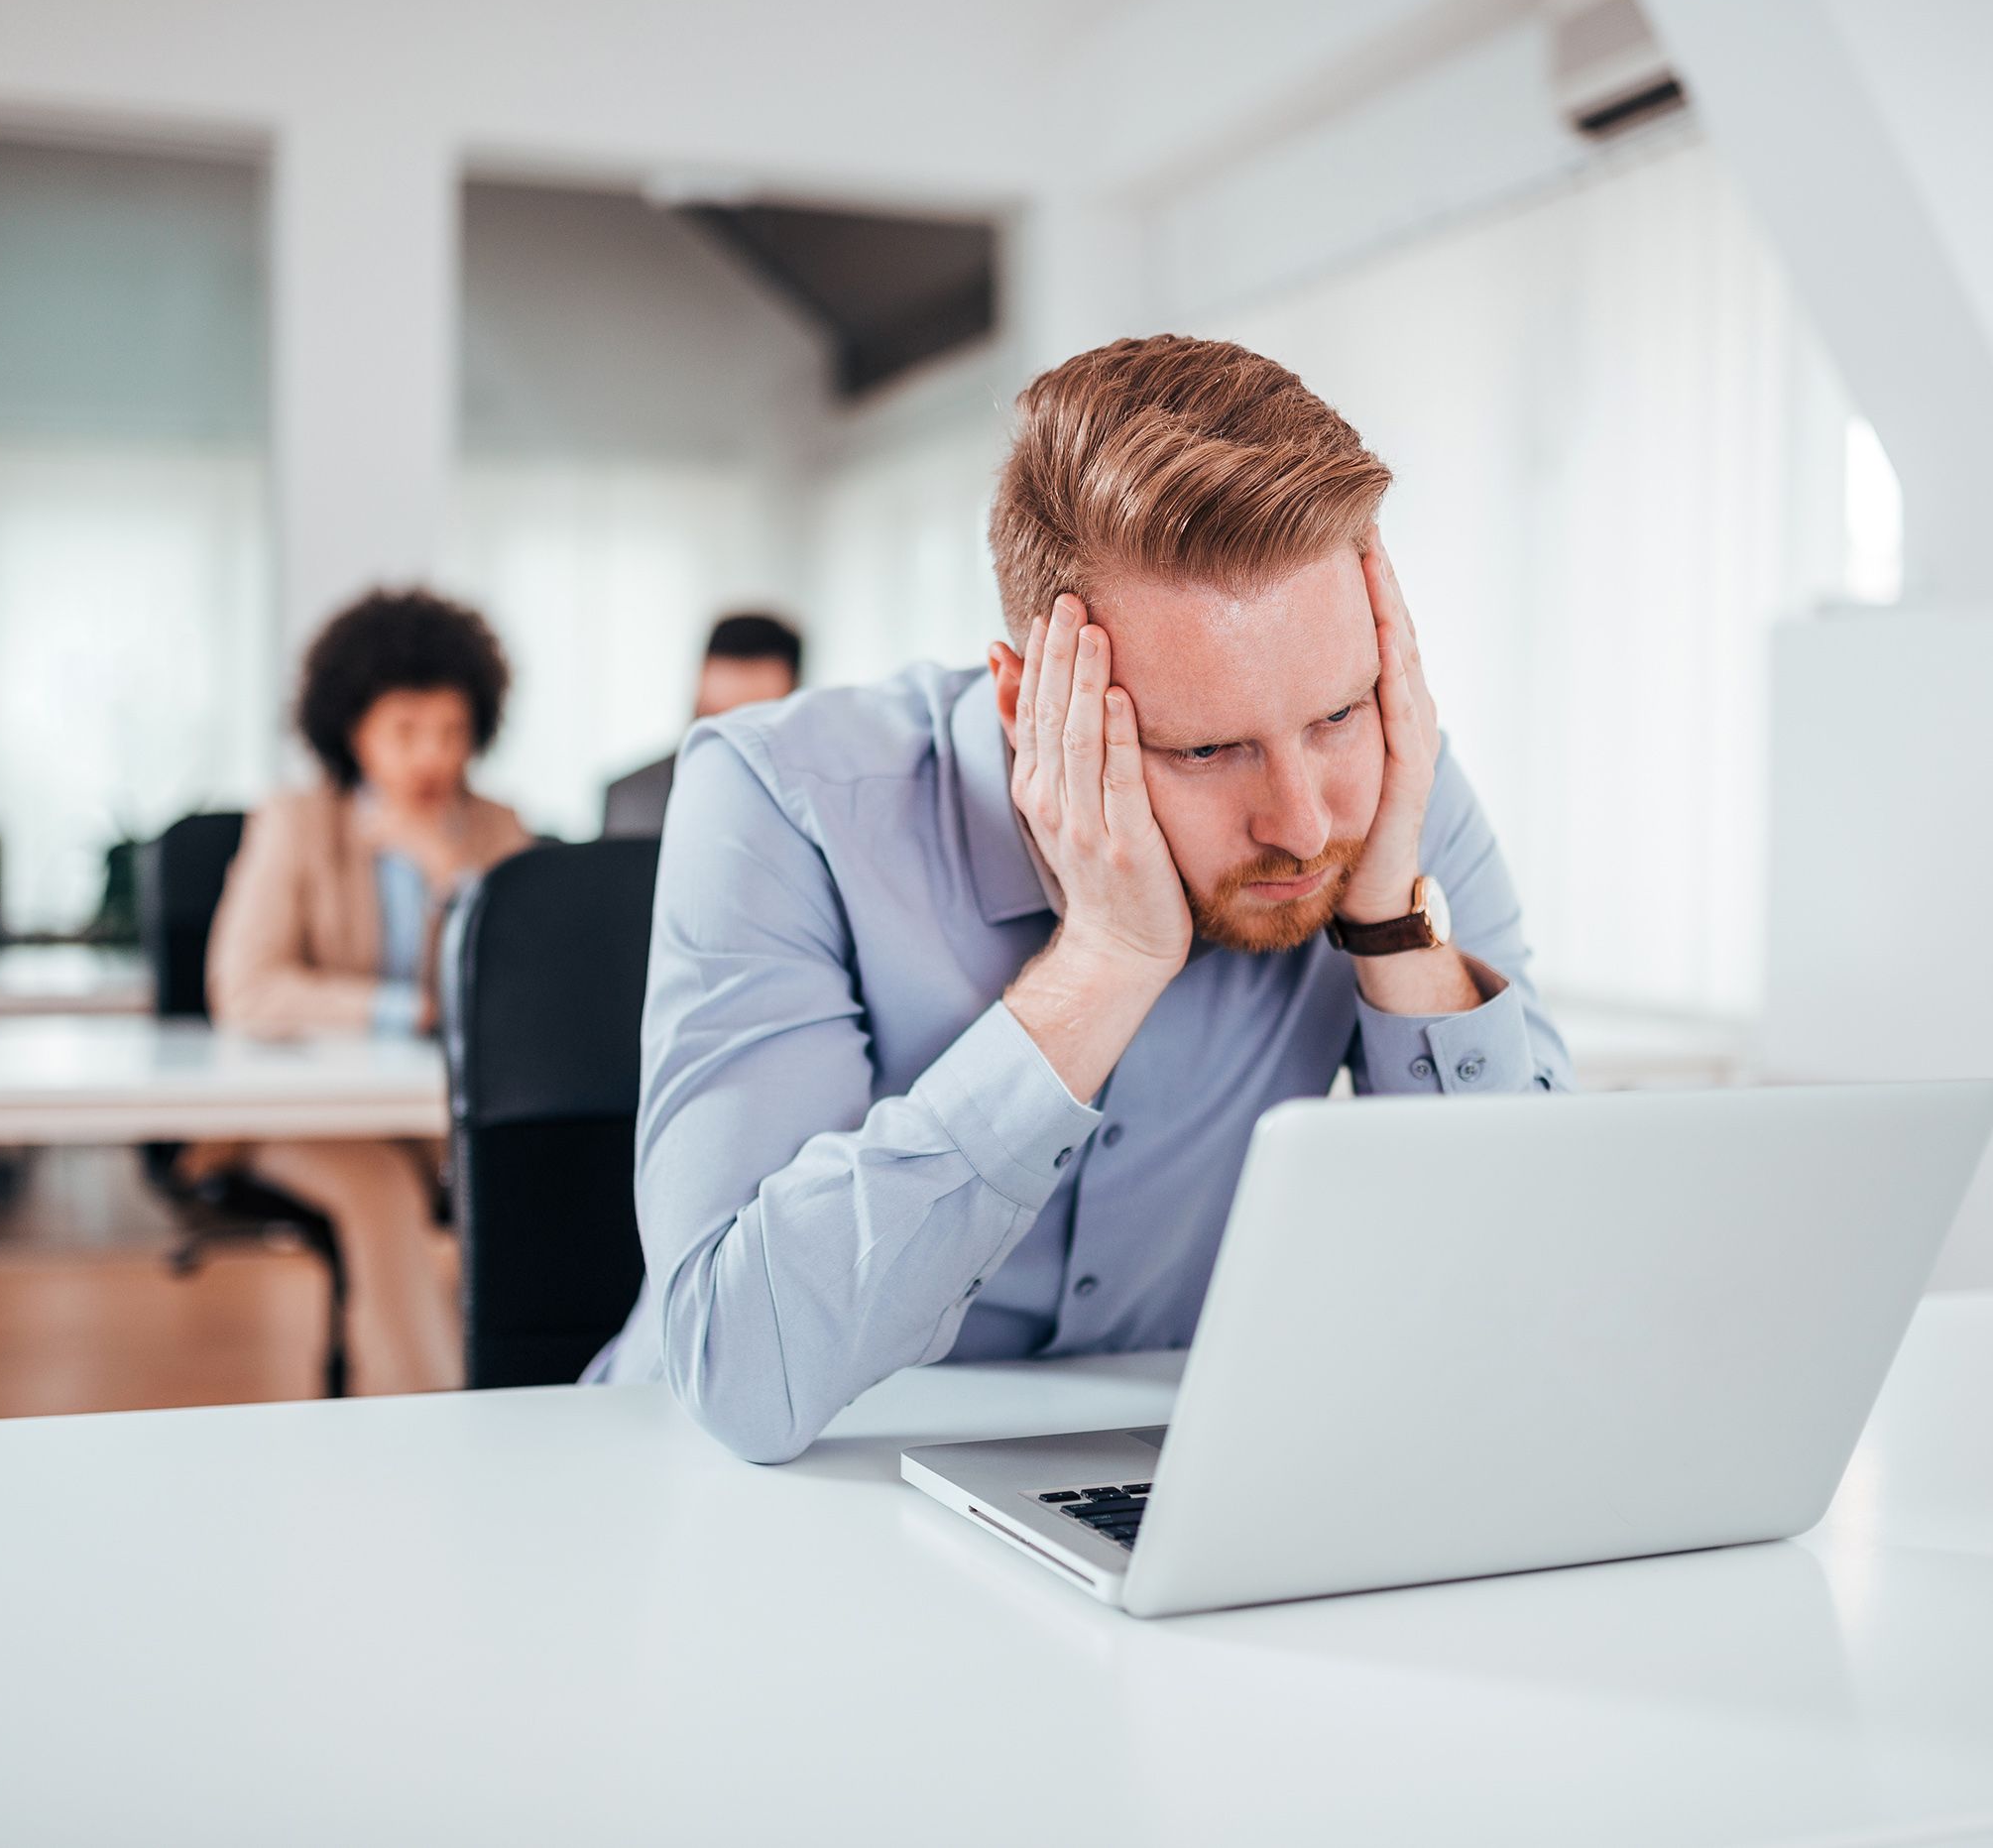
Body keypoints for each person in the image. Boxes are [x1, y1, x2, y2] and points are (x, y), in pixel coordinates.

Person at [591, 336, 1572, 1461]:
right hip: (742, 1494)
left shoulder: (1384, 792)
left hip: (1154, 1494)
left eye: (1338, 712)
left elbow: (1527, 1296)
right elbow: (741, 1374)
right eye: (1205, 748)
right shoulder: (779, 798)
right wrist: (1102, 961)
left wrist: (1393, 924)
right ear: (1028, 705)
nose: (1301, 822)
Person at [205, 586, 533, 1395]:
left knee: (526, 1177)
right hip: (304, 1114)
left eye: (454, 732)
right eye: (407, 732)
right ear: (353, 731)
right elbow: (245, 988)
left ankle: (547, 1395)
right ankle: (441, 1420)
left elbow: (530, 985)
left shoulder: (496, 832)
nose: (433, 757)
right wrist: (403, 1012)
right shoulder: (296, 822)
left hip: (429, 1108)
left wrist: (447, 869)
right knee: (378, 1192)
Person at [601, 612, 804, 837]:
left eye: (749, 727)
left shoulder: (815, 804)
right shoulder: (633, 799)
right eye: (715, 716)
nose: (727, 742)